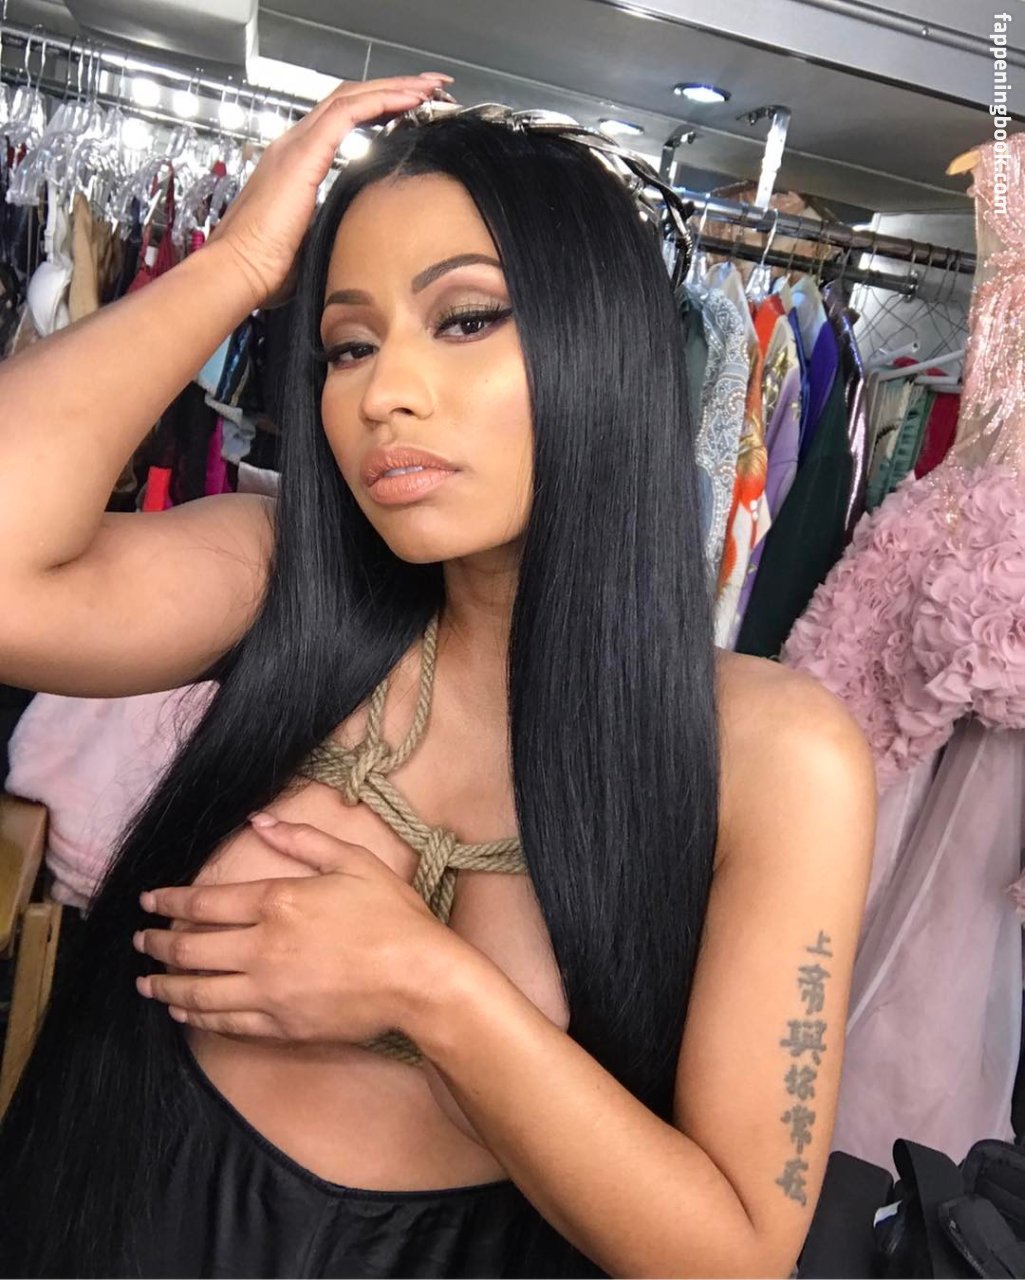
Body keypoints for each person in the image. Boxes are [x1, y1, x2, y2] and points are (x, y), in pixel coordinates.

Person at [0, 74, 876, 1278]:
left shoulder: (775, 753)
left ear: (600, 339)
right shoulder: (278, 578)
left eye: (464, 319)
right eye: (346, 345)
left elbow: (732, 1254)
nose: (382, 394)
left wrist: (424, 984)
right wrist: (238, 265)